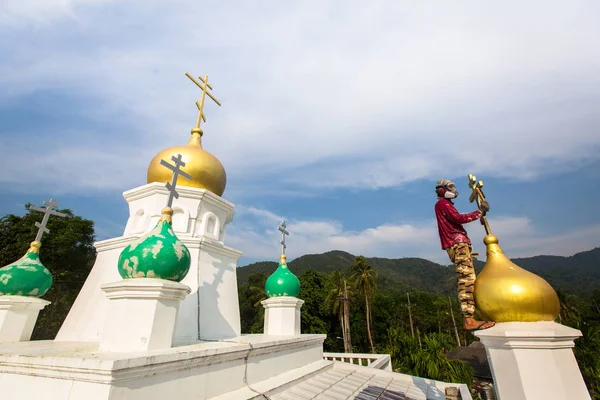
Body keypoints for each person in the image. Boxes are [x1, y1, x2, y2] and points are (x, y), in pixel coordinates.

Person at [434, 179, 495, 331]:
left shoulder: (446, 205)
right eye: (449, 187)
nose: (453, 190)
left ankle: (473, 314)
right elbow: (458, 218)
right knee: (466, 280)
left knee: (470, 278)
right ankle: (469, 319)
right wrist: (479, 212)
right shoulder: (443, 204)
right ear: (442, 190)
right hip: (457, 242)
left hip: (459, 242)